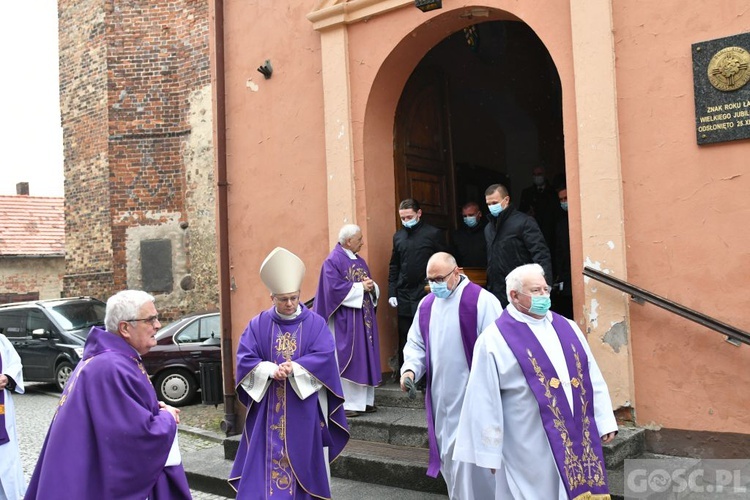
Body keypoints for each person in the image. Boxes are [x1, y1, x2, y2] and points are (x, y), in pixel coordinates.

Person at [453, 264, 618, 499]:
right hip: (526, 442)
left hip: (575, 436)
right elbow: (483, 398)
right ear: (514, 296)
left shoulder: (568, 327)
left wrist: (603, 420)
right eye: (535, 291)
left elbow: (590, 377)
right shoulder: (494, 339)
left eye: (545, 289)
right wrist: (489, 451)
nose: (544, 296)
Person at [26, 290, 191, 499]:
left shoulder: (112, 360)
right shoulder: (111, 367)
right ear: (125, 328)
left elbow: (119, 414)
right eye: (150, 319)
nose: (158, 325)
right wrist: (166, 418)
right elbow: (130, 440)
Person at [229, 247, 349, 499]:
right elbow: (244, 359)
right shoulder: (258, 324)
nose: (290, 303)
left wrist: (295, 367)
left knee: (303, 462)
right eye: (283, 299)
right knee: (263, 462)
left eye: (294, 297)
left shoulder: (315, 323)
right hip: (267, 410)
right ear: (271, 296)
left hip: (303, 408)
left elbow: (326, 356)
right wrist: (270, 370)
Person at [400, 252, 502, 499]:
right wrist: (410, 369)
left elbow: (499, 348)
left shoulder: (482, 302)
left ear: (457, 272)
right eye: (430, 280)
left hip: (474, 399)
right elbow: (416, 344)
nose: (434, 285)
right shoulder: (427, 306)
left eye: (439, 278)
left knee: (473, 466)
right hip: (441, 401)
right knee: (450, 461)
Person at [314, 224, 381, 418]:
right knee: (350, 358)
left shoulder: (359, 260)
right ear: (349, 241)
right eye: (359, 239)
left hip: (363, 319)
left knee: (365, 357)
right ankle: (350, 403)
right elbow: (333, 289)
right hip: (346, 321)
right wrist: (361, 288)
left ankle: (365, 402)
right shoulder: (332, 261)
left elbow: (366, 282)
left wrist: (371, 286)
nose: (362, 242)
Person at [388, 198, 447, 369]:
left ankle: (429, 372)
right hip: (404, 292)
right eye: (403, 218)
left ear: (419, 213)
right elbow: (394, 265)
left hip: (426, 291)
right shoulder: (398, 236)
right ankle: (406, 372)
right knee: (405, 334)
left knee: (427, 332)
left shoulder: (433, 234)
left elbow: (444, 260)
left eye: (409, 217)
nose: (406, 221)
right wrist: (392, 291)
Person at [484, 183, 553, 307]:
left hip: (521, 290)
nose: (491, 207)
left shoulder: (524, 222)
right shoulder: (489, 229)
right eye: (488, 204)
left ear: (506, 200)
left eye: (494, 203)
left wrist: (545, 286)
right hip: (496, 291)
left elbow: (541, 254)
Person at [0, 334, 25, 500]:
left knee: (7, 462)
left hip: (2, 411)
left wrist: (7, 377)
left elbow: (15, 363)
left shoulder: (1, 340)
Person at [519, 165, 559, 253]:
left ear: (545, 175)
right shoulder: (527, 193)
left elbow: (557, 214)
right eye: (535, 174)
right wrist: (528, 214)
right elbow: (520, 213)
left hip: (550, 235)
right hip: (532, 234)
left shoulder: (553, 193)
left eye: (539, 174)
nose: (537, 176)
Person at [552, 184, 573, 318]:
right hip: (565, 276)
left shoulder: (579, 220)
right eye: (561, 200)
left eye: (566, 198)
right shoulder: (560, 225)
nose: (564, 202)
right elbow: (559, 252)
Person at [449, 201, 487, 268]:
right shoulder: (458, 235)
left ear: (479, 214)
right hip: (464, 272)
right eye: (465, 216)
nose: (467, 218)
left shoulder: (488, 232)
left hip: (485, 272)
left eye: (471, 215)